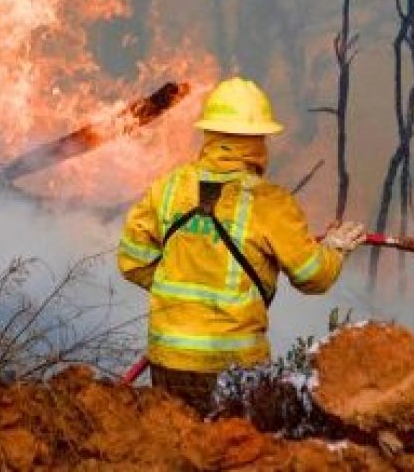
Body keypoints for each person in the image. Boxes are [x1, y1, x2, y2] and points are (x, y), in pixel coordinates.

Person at [117, 76, 368, 415]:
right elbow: (312, 276)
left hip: (169, 361)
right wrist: (336, 249)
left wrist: (181, 281)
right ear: (258, 141)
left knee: (178, 447)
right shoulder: (270, 203)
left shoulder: (168, 187)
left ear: (210, 134)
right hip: (235, 367)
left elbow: (133, 260)